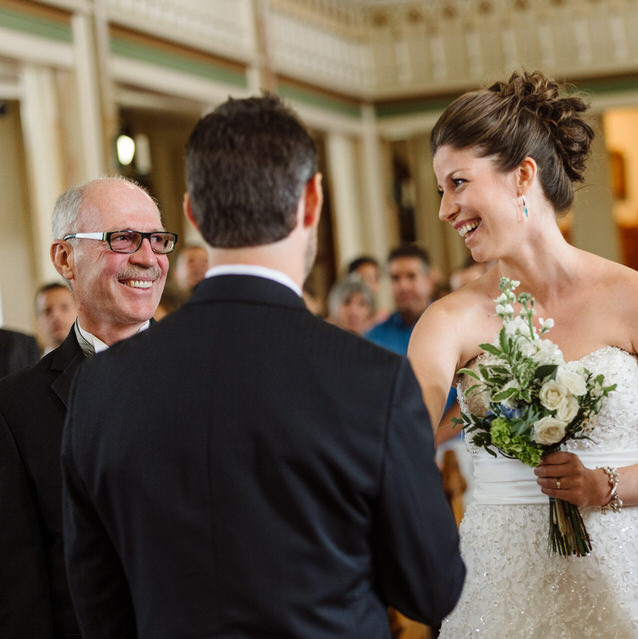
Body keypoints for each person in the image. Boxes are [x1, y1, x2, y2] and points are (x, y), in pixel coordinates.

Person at [60, 94, 464, 639]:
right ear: (312, 201)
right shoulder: (371, 378)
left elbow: (96, 600)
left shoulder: (101, 384)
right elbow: (431, 587)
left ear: (193, 214)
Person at [408, 70, 638, 637]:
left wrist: (607, 486)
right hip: (500, 590)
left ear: (522, 175)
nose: (444, 210)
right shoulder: (447, 321)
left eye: (457, 183)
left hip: (623, 574)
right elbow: (400, 441)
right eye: (440, 190)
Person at [0, 176, 172, 638]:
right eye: (122, 238)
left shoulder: (220, 374)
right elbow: (20, 590)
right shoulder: (15, 407)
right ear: (64, 259)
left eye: (157, 240)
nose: (147, 258)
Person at [365, 243, 434, 356]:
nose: (403, 286)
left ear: (429, 281)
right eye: (395, 278)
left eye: (411, 276)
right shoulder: (375, 339)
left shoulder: (451, 327)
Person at [35, 282, 77, 354]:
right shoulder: (30, 364)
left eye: (64, 307)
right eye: (47, 311)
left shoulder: (98, 361)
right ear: (38, 322)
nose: (56, 316)